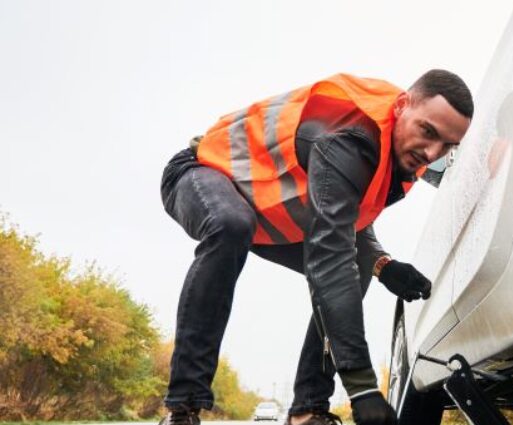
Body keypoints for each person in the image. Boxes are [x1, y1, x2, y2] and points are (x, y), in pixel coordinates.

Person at [158, 70, 473, 425]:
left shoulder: (399, 152)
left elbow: (347, 222)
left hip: (268, 214)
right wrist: (362, 387)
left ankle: (308, 410)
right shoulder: (346, 138)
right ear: (402, 106)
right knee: (232, 226)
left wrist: (383, 264)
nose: (432, 152)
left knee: (353, 264)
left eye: (447, 146)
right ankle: (183, 406)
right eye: (428, 132)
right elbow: (330, 256)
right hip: (200, 172)